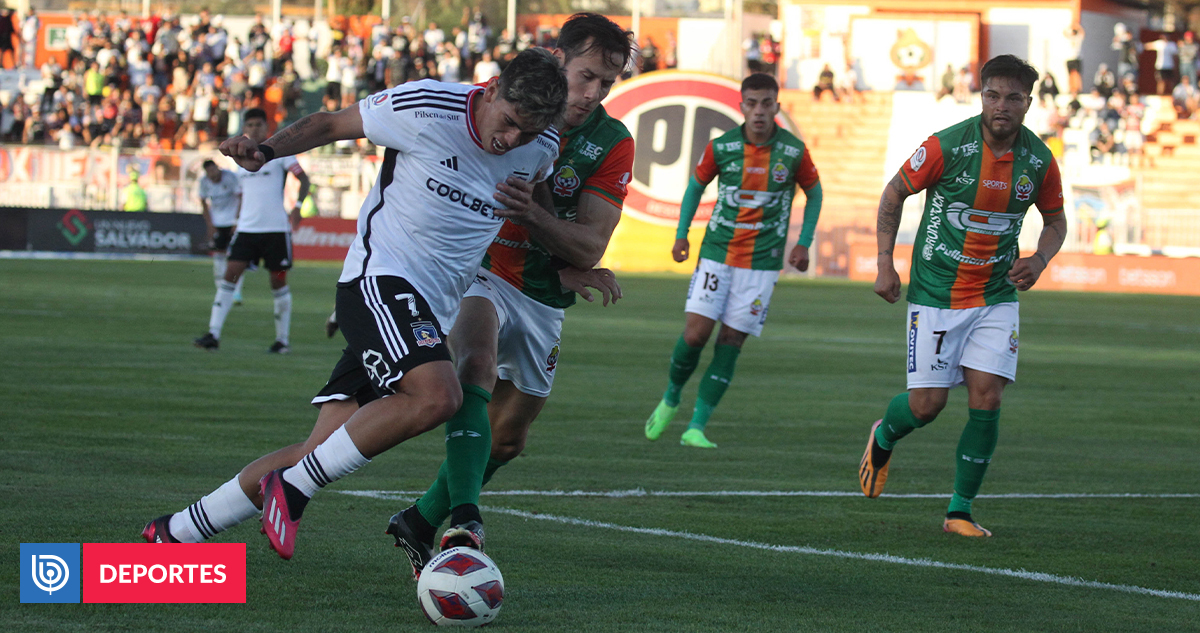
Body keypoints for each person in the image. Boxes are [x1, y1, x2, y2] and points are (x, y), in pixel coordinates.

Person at [142, 49, 568, 565]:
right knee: (439, 396)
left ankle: (174, 532)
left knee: (318, 450)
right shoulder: (426, 106)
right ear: (494, 88)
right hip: (380, 281)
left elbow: (537, 203)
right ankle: (294, 490)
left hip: (428, 313)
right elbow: (329, 122)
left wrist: (561, 243)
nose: (512, 141)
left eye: (527, 133)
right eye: (509, 124)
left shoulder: (541, 143)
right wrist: (267, 149)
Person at [385, 12, 636, 578]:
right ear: (557, 60)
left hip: (544, 294)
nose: (592, 92)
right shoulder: (497, 105)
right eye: (586, 75)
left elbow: (590, 244)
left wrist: (551, 240)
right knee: (474, 362)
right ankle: (466, 520)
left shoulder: (612, 143)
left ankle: (421, 520)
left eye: (606, 83)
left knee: (508, 441)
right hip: (479, 270)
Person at [859, 55, 1068, 537]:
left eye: (1013, 98)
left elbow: (1056, 222)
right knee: (926, 407)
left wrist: (1038, 260)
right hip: (935, 294)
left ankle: (960, 510)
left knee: (987, 396)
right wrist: (885, 263)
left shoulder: (1038, 161)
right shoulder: (946, 147)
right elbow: (894, 194)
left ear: (1028, 103)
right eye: (993, 94)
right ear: (981, 95)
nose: (1002, 106)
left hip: (996, 296)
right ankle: (884, 434)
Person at [644, 73, 823, 449]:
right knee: (695, 334)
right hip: (717, 254)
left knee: (730, 341)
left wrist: (803, 242)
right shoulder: (722, 147)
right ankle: (671, 397)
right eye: (752, 103)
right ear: (742, 107)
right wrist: (682, 234)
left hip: (762, 263)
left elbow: (815, 193)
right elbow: (696, 186)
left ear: (777, 106)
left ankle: (696, 426)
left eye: (766, 103)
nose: (759, 111)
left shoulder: (792, 151)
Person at [193, 108, 310, 354]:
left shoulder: (280, 153)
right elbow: (240, 195)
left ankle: (282, 341)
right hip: (247, 230)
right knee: (229, 277)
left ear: (267, 127)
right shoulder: (240, 163)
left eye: (259, 124)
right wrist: (234, 220)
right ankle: (213, 334)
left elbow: (304, 179)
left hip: (276, 230)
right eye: (251, 125)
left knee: (277, 283)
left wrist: (298, 206)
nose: (255, 129)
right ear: (245, 129)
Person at [198, 159, 245, 299]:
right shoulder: (204, 182)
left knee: (235, 257)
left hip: (232, 222)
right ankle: (220, 290)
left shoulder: (230, 177)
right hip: (218, 222)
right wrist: (210, 225)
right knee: (218, 255)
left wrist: (237, 220)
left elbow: (241, 197)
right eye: (209, 171)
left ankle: (237, 291)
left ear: (218, 168)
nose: (213, 173)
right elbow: (203, 203)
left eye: (214, 169)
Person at [1064, 23, 1085, 96]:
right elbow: (1064, 33)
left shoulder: (1078, 38)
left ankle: (1079, 89)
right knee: (1070, 75)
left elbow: (1082, 33)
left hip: (1077, 58)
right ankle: (1070, 89)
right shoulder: (1069, 39)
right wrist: (1070, 26)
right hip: (1069, 58)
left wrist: (1077, 26)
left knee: (1078, 74)